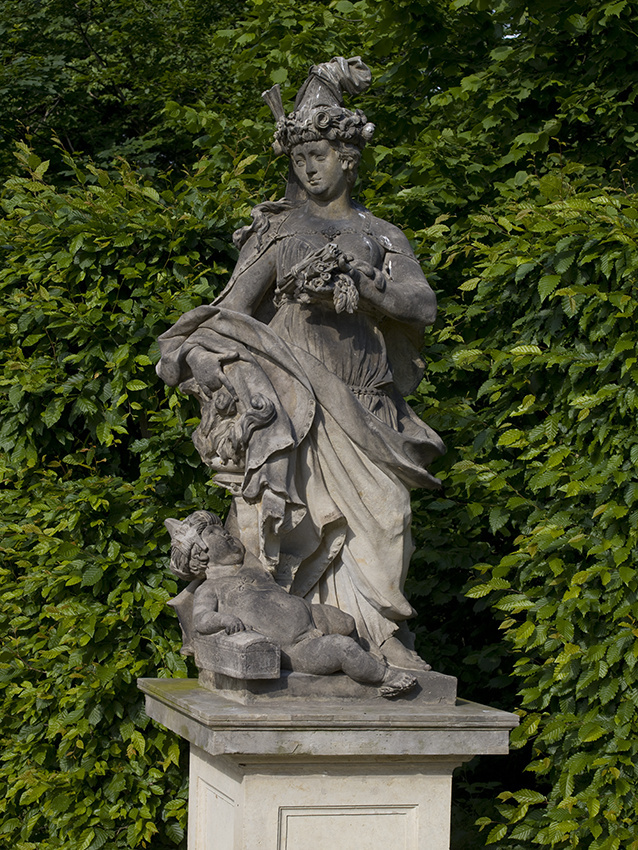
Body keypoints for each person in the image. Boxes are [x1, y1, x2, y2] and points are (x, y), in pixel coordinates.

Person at [157, 57, 445, 670]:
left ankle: (381, 630)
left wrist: (360, 283)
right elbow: (226, 313)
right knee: (297, 523)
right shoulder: (280, 233)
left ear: (348, 158)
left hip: (366, 401)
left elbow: (422, 306)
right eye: (299, 158)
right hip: (295, 404)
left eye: (319, 154)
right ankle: (296, 637)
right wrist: (207, 359)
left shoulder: (380, 234)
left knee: (388, 516)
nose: (308, 167)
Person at [166, 511, 417, 698]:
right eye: (212, 533)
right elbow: (201, 619)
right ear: (199, 554)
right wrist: (224, 620)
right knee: (343, 647)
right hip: (295, 647)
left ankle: (370, 661)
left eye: (223, 529)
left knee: (347, 622)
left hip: (313, 617)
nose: (225, 533)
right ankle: (385, 678)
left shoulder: (251, 568)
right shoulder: (210, 588)